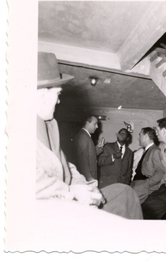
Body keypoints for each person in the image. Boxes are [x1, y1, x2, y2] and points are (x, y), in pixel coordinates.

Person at [36, 52, 142, 219]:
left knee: (126, 192)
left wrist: (85, 186)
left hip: (82, 189)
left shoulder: (50, 125)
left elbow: (67, 165)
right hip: (56, 208)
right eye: (57, 95)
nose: (58, 101)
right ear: (42, 95)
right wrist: (75, 192)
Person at [130, 127, 166, 204]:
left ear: (146, 136)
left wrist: (146, 184)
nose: (138, 138)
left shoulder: (155, 151)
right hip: (137, 184)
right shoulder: (148, 150)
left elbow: (160, 173)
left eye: (140, 135)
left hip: (143, 186)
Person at [73, 115, 105, 182]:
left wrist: (99, 147)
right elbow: (82, 160)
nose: (97, 126)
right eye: (95, 124)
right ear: (87, 123)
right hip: (87, 178)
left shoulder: (86, 136)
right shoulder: (83, 137)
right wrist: (89, 178)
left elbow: (89, 155)